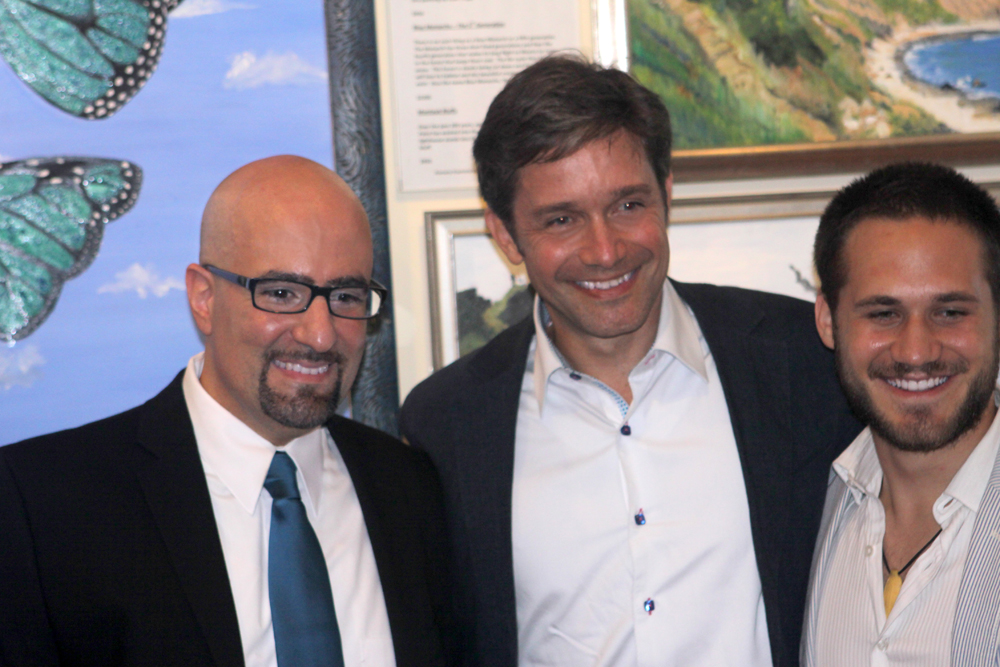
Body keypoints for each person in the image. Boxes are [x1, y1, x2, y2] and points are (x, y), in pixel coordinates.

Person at [400, 55, 860, 667]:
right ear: (506, 236)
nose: (605, 250)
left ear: (666, 195)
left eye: (626, 205)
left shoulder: (804, 358)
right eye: (561, 219)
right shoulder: (447, 422)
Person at [0, 156, 454, 667]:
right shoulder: (45, 504)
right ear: (204, 297)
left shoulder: (411, 489)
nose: (321, 334)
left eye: (346, 296)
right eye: (282, 293)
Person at [802, 162, 1000, 666]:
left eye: (950, 312)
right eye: (883, 314)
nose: (916, 351)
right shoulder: (808, 504)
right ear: (828, 320)